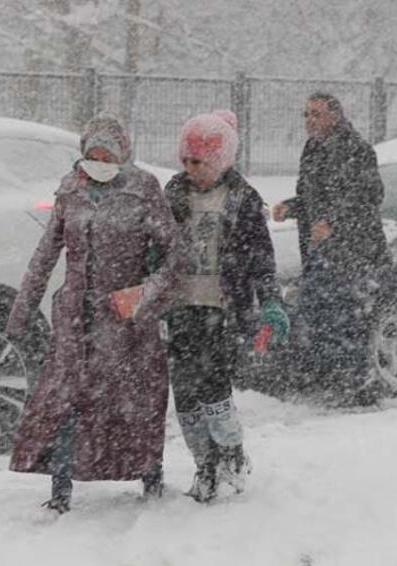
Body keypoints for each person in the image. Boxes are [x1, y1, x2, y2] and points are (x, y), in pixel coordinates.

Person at [6, 114, 184, 514]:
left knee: (134, 404)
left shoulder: (143, 190)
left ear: (123, 154)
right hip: (75, 323)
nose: (100, 160)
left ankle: (149, 475)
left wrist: (142, 295)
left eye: (108, 154)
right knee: (66, 403)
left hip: (125, 324)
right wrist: (21, 312)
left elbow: (176, 257)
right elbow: (45, 254)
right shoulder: (70, 190)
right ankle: (61, 487)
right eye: (93, 153)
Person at [164, 110, 289, 503]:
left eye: (198, 162)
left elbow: (261, 257)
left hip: (222, 310)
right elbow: (154, 247)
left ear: (218, 161)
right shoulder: (173, 195)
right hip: (181, 308)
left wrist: (269, 300)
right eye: (185, 161)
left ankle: (230, 453)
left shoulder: (242, 200)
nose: (190, 169)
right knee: (185, 394)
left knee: (214, 389)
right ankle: (204, 463)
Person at [272, 93, 392, 384]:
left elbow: (369, 197)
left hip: (352, 252)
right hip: (318, 250)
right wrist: (291, 206)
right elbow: (313, 198)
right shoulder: (313, 149)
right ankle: (326, 375)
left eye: (316, 114)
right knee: (317, 313)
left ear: (335, 116)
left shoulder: (356, 149)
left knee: (344, 317)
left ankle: (357, 380)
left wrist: (333, 223)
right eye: (306, 114)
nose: (310, 121)